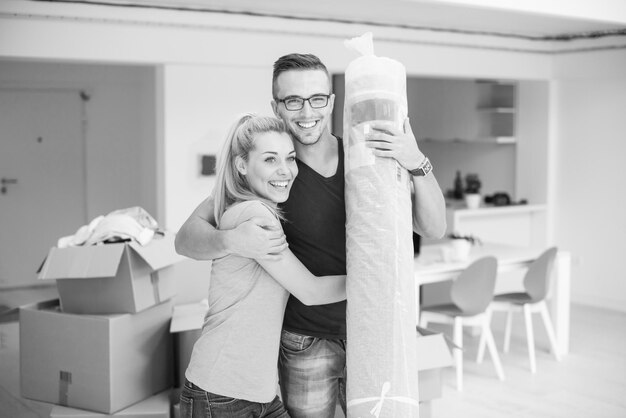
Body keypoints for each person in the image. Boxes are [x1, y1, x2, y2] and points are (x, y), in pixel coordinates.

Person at [175, 53, 447, 418]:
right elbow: (186, 238)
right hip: (303, 339)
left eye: (317, 98)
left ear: (332, 101)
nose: (307, 112)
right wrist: (230, 240)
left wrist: (416, 162)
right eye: (293, 101)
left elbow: (433, 227)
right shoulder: (269, 176)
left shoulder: (364, 156)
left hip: (372, 329)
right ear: (276, 106)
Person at [180, 114, 347, 418]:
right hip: (221, 393)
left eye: (290, 158)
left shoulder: (244, 204)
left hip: (255, 393)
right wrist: (376, 276)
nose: (285, 170)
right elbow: (310, 291)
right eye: (270, 159)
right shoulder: (256, 215)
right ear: (241, 165)